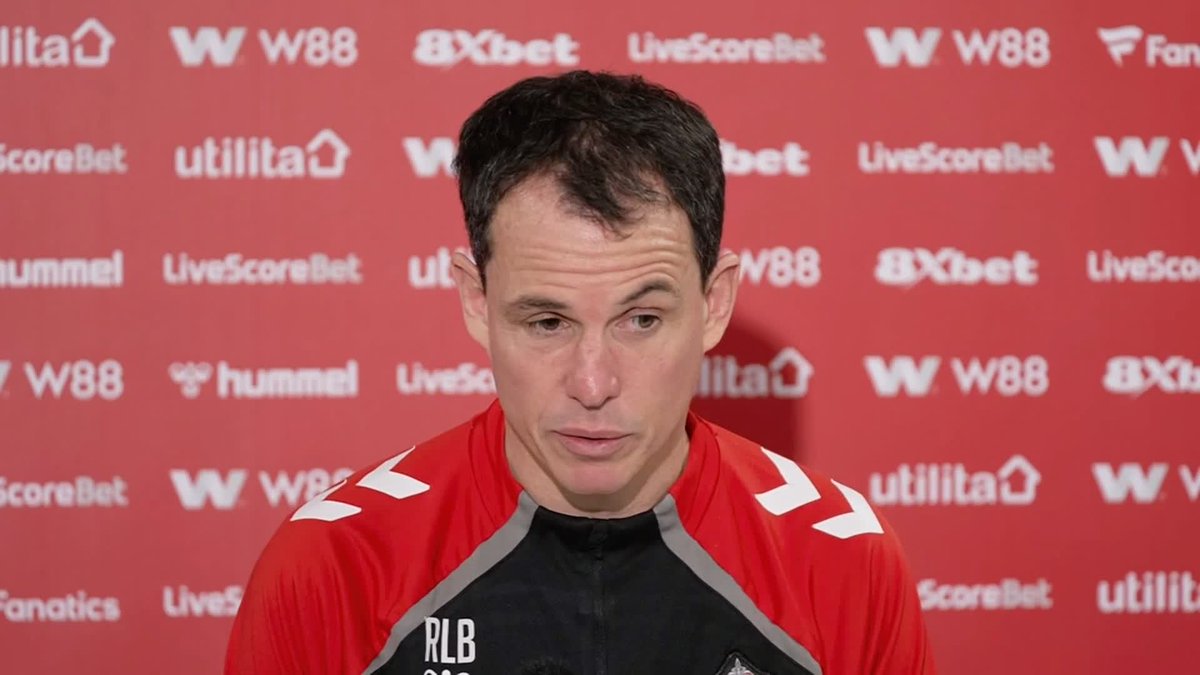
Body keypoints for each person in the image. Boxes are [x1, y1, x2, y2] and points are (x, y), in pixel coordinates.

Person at [225, 70, 936, 675]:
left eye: (642, 320)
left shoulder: (844, 561)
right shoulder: (335, 565)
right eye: (547, 323)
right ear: (475, 301)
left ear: (714, 304)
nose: (593, 385)